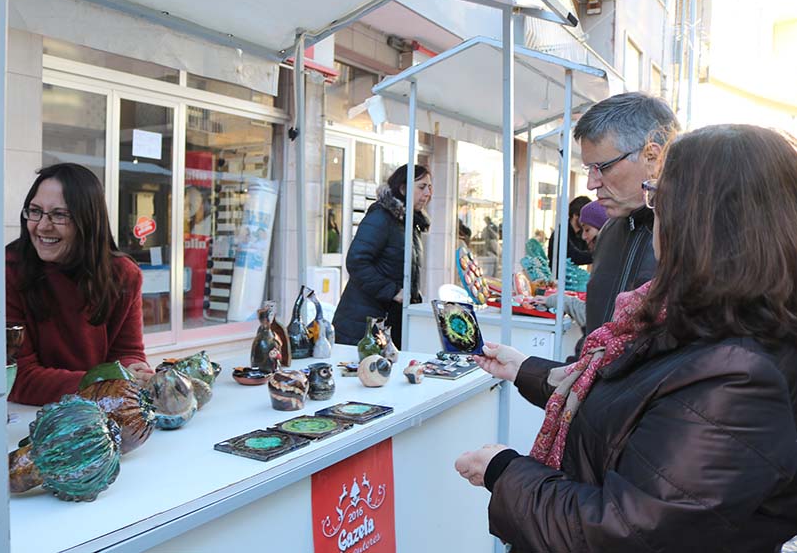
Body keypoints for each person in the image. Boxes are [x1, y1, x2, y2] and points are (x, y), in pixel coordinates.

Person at [455, 125, 797, 552]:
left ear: (699, 218)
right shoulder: (691, 317)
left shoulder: (739, 376)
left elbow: (627, 531)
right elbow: (625, 402)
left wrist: (504, 472)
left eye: (659, 196)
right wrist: (525, 369)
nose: (653, 211)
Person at [7, 163, 154, 405]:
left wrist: (135, 370)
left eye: (59, 215)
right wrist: (106, 382)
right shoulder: (9, 269)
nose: (42, 226)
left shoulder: (123, 275)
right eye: (35, 211)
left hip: (98, 414)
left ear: (88, 220)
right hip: (27, 418)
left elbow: (126, 352)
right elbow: (17, 378)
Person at [576, 92, 680, 336]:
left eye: (602, 167)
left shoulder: (698, 237)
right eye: (589, 169)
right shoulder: (610, 231)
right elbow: (593, 341)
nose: (591, 183)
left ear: (652, 157)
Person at [333, 164, 432, 349]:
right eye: (421, 187)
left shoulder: (410, 223)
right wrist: (393, 291)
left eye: (429, 187)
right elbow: (356, 262)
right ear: (403, 188)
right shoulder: (381, 217)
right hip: (361, 324)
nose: (427, 193)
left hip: (388, 324)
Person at [537, 201, 609, 328]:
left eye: (587, 230)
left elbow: (592, 316)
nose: (583, 236)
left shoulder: (609, 266)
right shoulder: (562, 233)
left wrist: (560, 301)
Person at [547, 195, 592, 270]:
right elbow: (574, 256)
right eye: (585, 217)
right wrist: (598, 255)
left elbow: (587, 250)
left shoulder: (580, 233)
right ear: (575, 215)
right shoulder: (561, 233)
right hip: (558, 278)